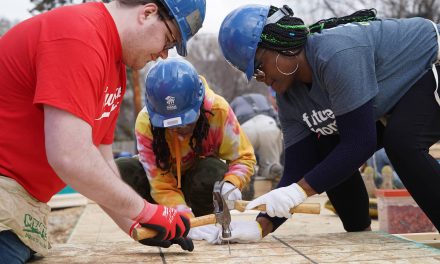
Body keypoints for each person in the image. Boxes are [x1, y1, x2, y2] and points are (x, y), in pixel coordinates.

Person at [211, 4, 440, 242]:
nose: (263, 79)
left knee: (402, 141)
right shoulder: (288, 97)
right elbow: (299, 166)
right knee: (328, 148)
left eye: (259, 67)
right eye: (255, 75)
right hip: (396, 97)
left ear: (280, 45)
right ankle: (361, 238)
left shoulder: (336, 53)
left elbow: (360, 142)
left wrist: (298, 192)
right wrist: (261, 226)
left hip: (432, 63)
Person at [0, 0, 205, 262]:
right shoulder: (79, 36)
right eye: (168, 40)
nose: (164, 54)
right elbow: (70, 156)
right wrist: (145, 210)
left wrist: (135, 225)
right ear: (148, 13)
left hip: (21, 207)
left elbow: (100, 161)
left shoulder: (115, 68)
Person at [115, 58, 256, 236]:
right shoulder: (145, 124)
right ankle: (156, 221)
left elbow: (244, 157)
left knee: (211, 171)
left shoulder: (218, 110)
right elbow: (161, 184)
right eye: (169, 124)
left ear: (198, 103)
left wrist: (232, 183)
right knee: (122, 171)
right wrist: (184, 221)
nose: (178, 129)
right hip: (159, 192)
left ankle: (208, 222)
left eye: (186, 121)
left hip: (197, 186)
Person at [230, 93, 283, 197]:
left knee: (244, 161)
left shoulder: (235, 101)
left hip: (246, 127)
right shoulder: (263, 98)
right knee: (270, 164)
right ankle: (273, 168)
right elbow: (277, 118)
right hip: (268, 125)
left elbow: (229, 122)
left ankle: (248, 173)